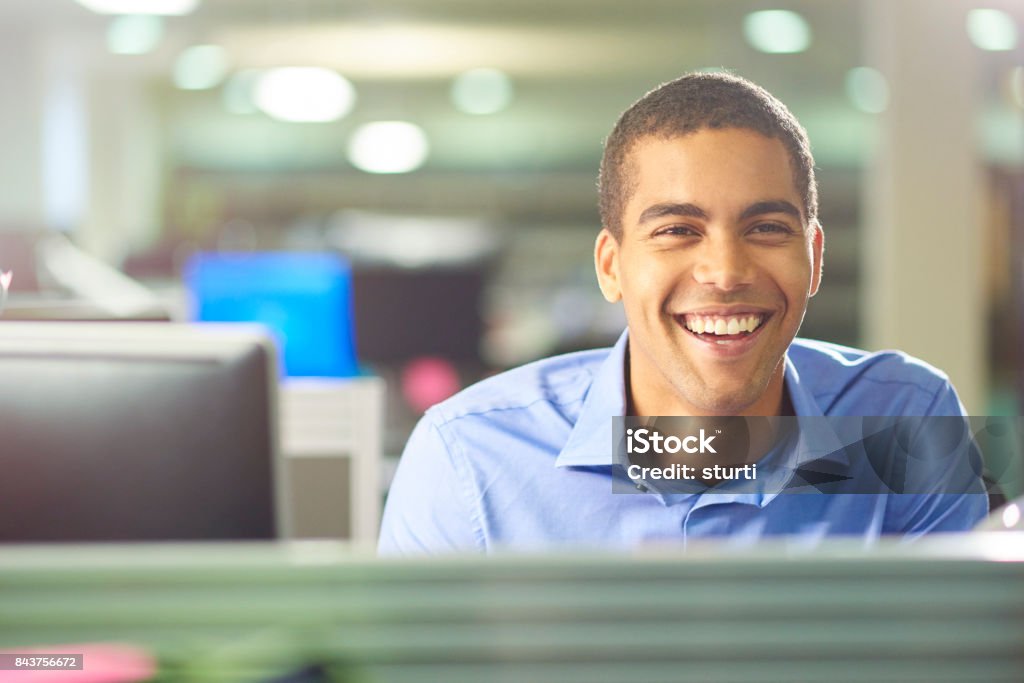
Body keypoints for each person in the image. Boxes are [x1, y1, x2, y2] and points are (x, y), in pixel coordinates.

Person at [378, 72, 987, 554]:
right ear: (612, 266)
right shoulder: (470, 454)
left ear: (815, 257)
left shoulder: (907, 417)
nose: (725, 272)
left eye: (767, 228)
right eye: (676, 229)